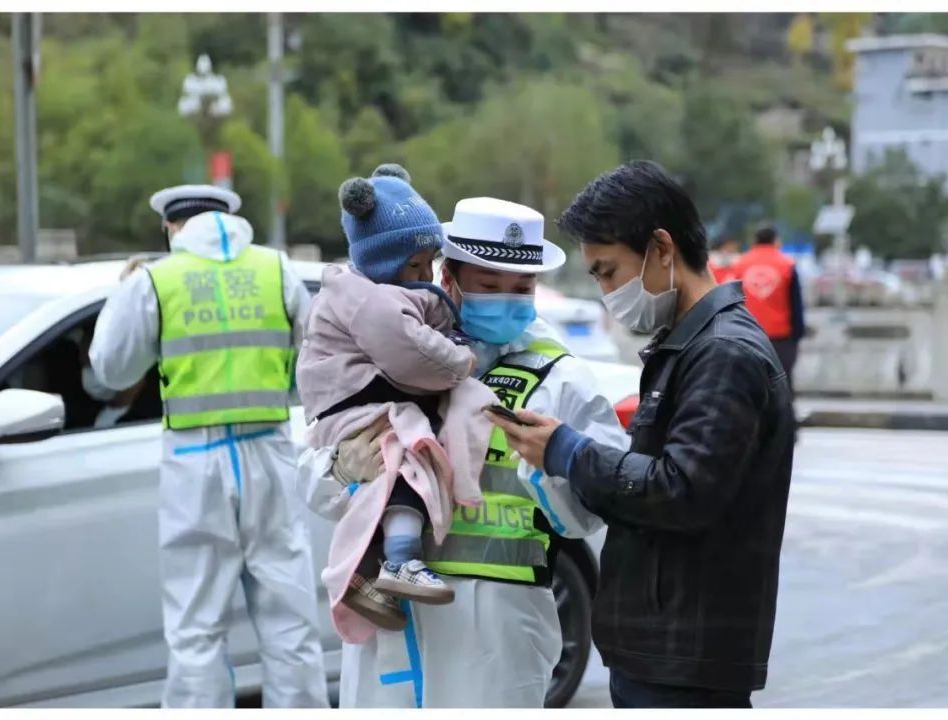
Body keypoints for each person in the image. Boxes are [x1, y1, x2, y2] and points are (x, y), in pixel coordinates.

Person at [486, 161, 796, 709]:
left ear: (660, 247)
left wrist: (567, 450)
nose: (606, 291)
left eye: (609, 272)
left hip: (686, 659)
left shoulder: (723, 354)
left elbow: (682, 490)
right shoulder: (685, 345)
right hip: (659, 649)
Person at [298, 195, 629, 708]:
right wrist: (341, 468)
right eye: (488, 285)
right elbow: (312, 473)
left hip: (499, 628)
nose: (506, 299)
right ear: (446, 278)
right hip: (393, 623)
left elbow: (598, 506)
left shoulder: (560, 378)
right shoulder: (390, 354)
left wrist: (549, 468)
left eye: (521, 288)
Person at [88, 185, 328, 708]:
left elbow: (111, 368)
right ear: (229, 221)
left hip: (194, 464)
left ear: (171, 228)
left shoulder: (156, 279)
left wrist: (123, 294)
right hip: (270, 451)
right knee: (291, 624)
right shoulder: (275, 269)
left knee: (196, 629)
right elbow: (315, 363)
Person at [297, 163, 493, 636]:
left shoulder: (387, 294)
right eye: (414, 265)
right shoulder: (372, 300)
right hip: (353, 410)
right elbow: (417, 356)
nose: (426, 275)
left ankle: (371, 577)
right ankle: (400, 559)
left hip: (469, 631)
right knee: (405, 452)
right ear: (383, 261)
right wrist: (466, 359)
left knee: (392, 462)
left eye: (432, 263)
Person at [733, 226, 806, 391]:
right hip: (780, 338)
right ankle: (784, 416)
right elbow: (796, 304)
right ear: (776, 240)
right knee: (781, 384)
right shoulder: (786, 264)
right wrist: (798, 334)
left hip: (747, 334)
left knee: (749, 385)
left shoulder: (740, 264)